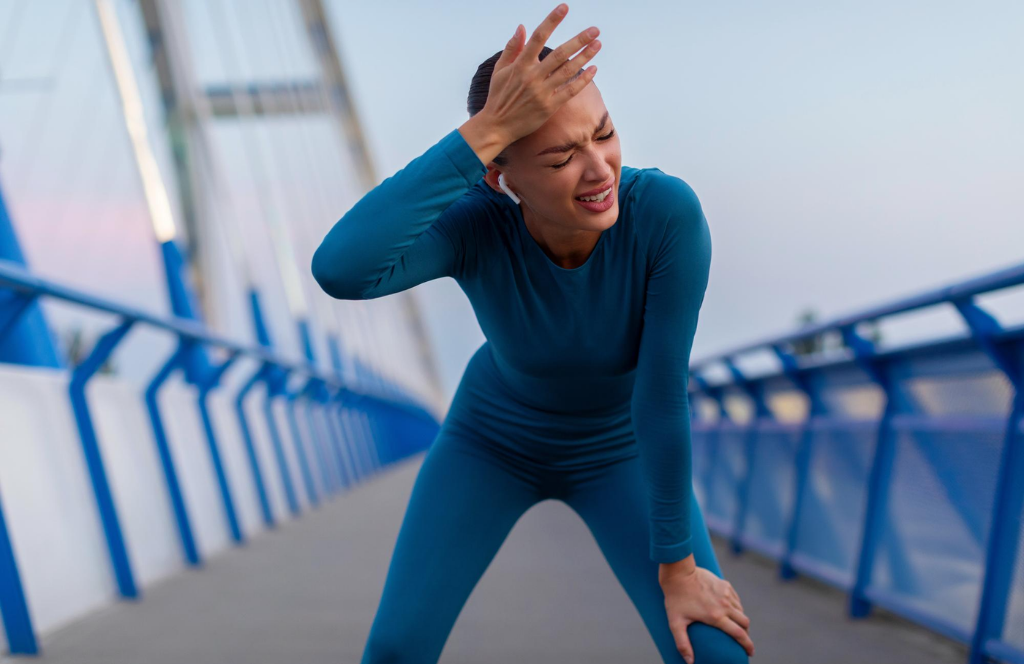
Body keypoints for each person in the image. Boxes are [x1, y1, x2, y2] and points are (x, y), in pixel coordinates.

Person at [311, 4, 754, 662]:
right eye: (560, 158)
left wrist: (678, 568)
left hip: (621, 448)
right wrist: (483, 132)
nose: (599, 168)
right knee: (398, 649)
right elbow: (341, 269)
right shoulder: (476, 225)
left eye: (603, 134)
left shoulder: (665, 215)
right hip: (492, 441)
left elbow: (661, 397)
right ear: (501, 175)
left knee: (716, 655)